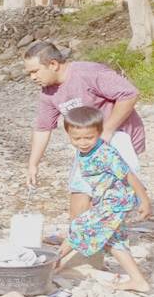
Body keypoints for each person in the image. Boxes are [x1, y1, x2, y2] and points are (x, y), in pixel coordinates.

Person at [24, 41, 145, 222]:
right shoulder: (48, 92)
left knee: (113, 190)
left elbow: (129, 94)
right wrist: (33, 165)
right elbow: (43, 128)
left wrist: (107, 131)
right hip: (88, 142)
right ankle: (76, 236)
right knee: (80, 186)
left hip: (119, 136)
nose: (32, 77)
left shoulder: (87, 72)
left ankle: (110, 237)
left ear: (53, 64)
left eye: (35, 71)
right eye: (29, 73)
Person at [54, 107, 150, 292]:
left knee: (81, 225)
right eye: (77, 139)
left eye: (89, 138)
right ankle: (138, 281)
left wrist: (144, 200)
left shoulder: (105, 153)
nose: (83, 143)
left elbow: (129, 175)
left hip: (116, 201)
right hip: (105, 199)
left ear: (99, 132)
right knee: (114, 240)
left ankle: (53, 264)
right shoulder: (84, 152)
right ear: (68, 135)